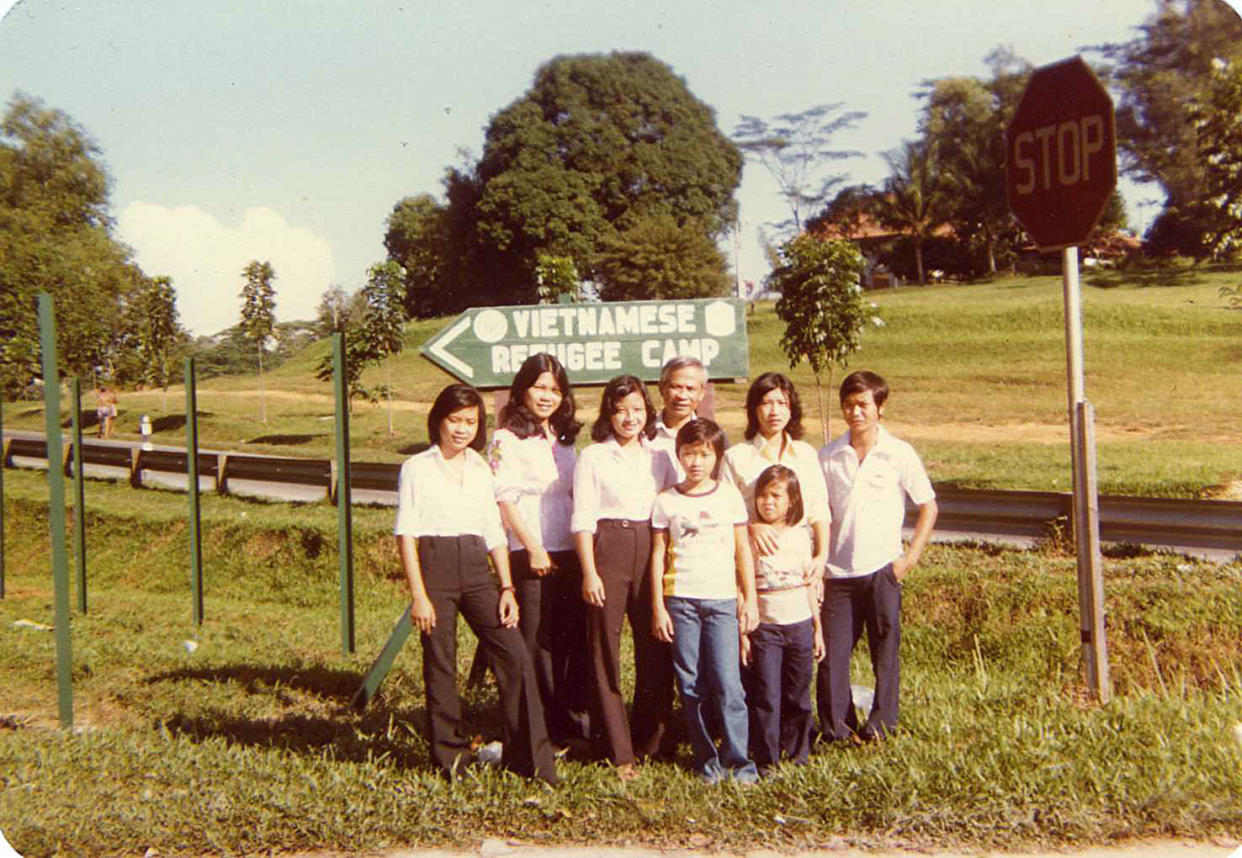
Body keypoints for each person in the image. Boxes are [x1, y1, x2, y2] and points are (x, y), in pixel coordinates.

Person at [394, 383, 557, 783]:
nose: (463, 429)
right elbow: (406, 534)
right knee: (441, 662)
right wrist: (419, 595)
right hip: (435, 566)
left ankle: (531, 761)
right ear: (438, 420)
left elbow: (494, 532)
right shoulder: (417, 468)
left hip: (477, 567)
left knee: (514, 655)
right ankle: (450, 760)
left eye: (471, 421)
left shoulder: (482, 467)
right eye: (455, 420)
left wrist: (506, 588)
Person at [816, 370, 938, 743]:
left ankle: (881, 726)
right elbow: (819, 514)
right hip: (837, 573)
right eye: (849, 405)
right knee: (831, 658)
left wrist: (909, 558)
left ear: (879, 408)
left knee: (884, 650)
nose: (856, 412)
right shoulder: (828, 455)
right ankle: (839, 729)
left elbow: (928, 507)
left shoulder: (898, 453)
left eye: (864, 405)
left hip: (883, 569)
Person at [572, 375, 676, 780]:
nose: (629, 418)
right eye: (620, 410)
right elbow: (582, 518)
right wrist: (589, 572)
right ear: (608, 414)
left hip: (651, 548)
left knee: (655, 645)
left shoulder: (661, 456)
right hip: (608, 548)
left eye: (637, 409)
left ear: (648, 410)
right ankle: (616, 750)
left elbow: (669, 511)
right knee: (604, 650)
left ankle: (651, 739)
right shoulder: (594, 457)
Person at [489, 353, 591, 749]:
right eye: (539, 387)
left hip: (568, 549)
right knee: (535, 644)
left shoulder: (563, 439)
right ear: (522, 389)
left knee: (567, 641)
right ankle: (538, 728)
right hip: (532, 551)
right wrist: (532, 547)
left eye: (554, 389)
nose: (547, 396)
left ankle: (568, 722)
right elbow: (505, 500)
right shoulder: (506, 438)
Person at [650, 418, 759, 784]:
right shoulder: (666, 500)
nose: (696, 461)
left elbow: (743, 548)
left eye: (704, 454)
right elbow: (657, 555)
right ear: (678, 455)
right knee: (691, 683)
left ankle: (740, 762)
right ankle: (706, 761)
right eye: (688, 453)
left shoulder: (728, 496)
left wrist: (750, 598)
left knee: (729, 684)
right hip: (681, 601)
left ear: (717, 456)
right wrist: (658, 606)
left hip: (723, 602)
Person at [743, 465, 824, 773]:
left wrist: (817, 629)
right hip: (766, 629)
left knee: (799, 694)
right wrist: (744, 631)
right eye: (762, 496)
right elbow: (743, 586)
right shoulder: (752, 538)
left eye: (776, 496)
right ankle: (767, 758)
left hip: (800, 626)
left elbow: (808, 586)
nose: (768, 502)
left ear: (792, 500)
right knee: (767, 695)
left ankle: (798, 754)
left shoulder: (801, 537)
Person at [722, 372, 830, 585]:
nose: (774, 411)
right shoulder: (736, 457)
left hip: (800, 566)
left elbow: (819, 510)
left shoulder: (805, 454)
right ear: (754, 409)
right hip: (753, 568)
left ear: (791, 409)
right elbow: (725, 513)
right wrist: (752, 527)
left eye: (782, 403)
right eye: (766, 403)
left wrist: (821, 556)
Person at [652, 355, 708, 476]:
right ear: (661, 388)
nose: (682, 396)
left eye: (690, 388)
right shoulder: (643, 434)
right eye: (675, 387)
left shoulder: (712, 437)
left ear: (702, 393)